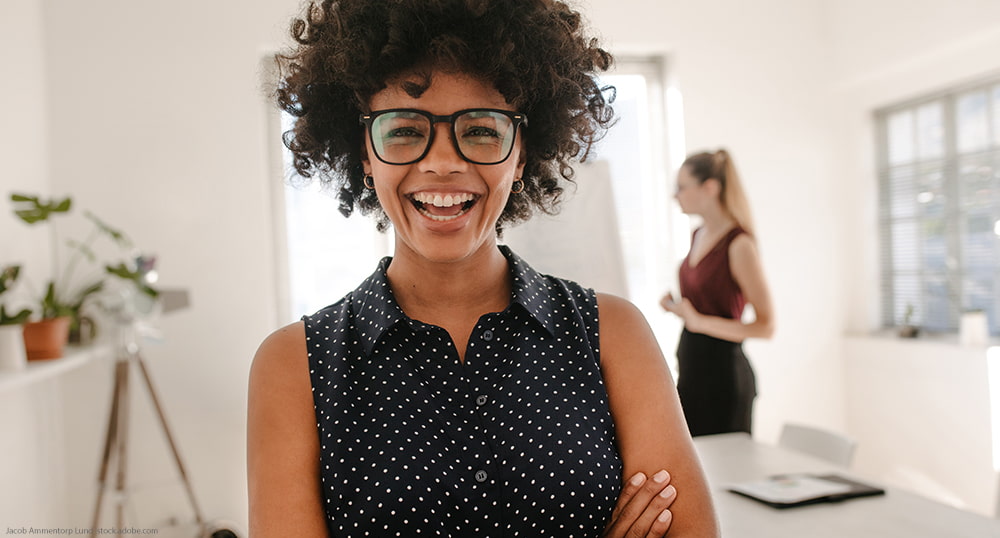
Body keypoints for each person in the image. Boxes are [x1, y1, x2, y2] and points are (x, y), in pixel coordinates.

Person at [247, 1, 719, 536]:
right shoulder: (292, 366)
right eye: (403, 130)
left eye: (481, 131)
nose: (443, 162)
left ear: (521, 155)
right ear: (365, 153)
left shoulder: (613, 335)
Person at [660, 149, 775, 437]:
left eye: (682, 187)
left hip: (724, 379)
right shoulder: (698, 235)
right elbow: (704, 306)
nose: (676, 196)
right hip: (692, 371)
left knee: (725, 470)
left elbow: (766, 326)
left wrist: (699, 321)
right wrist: (678, 309)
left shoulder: (739, 245)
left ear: (710, 187)